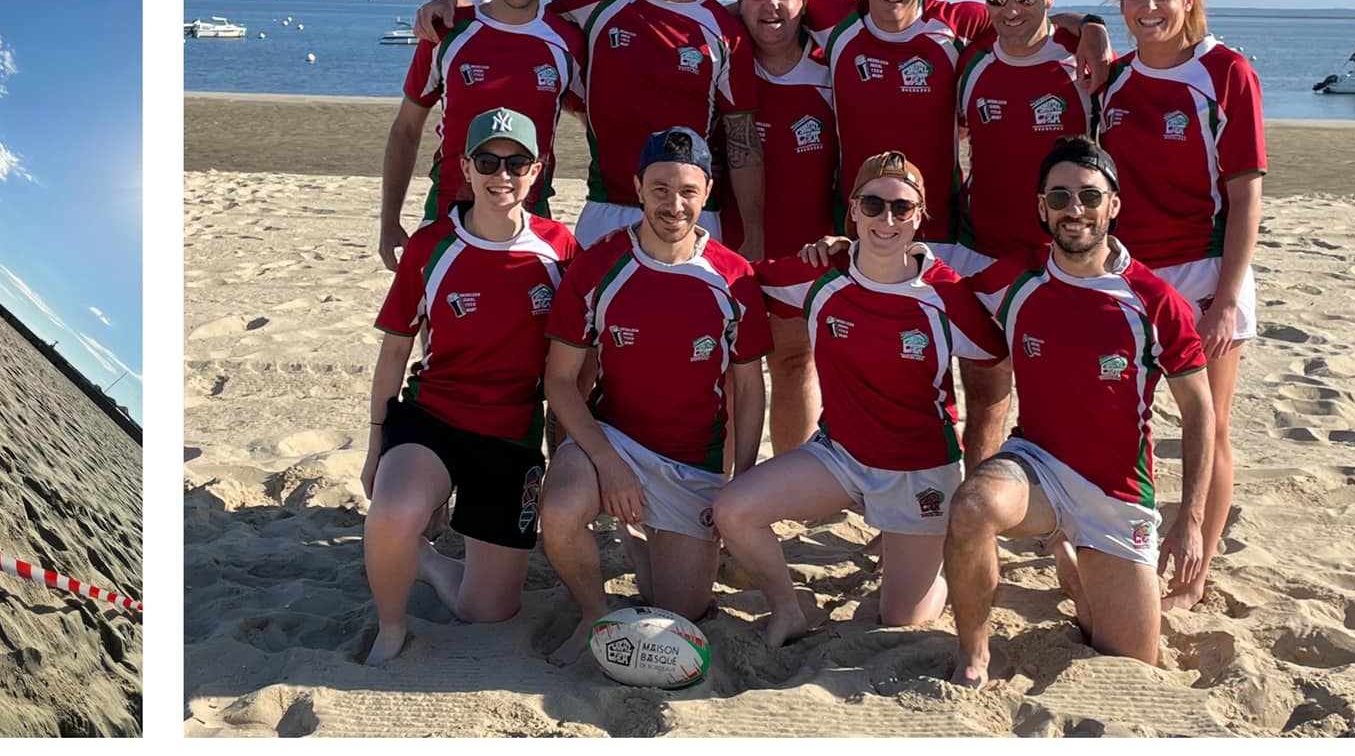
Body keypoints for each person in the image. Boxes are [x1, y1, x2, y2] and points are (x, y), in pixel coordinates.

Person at [944, 138, 1215, 681]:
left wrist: (1191, 520)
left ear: (1114, 205)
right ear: (1041, 207)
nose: (1076, 210)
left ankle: (1074, 558)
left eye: (1090, 196)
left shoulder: (1156, 302)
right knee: (973, 505)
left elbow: (1199, 413)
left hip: (1116, 496)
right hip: (1037, 467)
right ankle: (974, 653)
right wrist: (841, 249)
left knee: (1132, 661)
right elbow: (920, 287)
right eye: (1060, 196)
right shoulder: (1012, 279)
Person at [717, 151, 1005, 642]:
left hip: (918, 471)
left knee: (901, 619)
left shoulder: (948, 296)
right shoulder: (820, 273)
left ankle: (935, 560)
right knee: (732, 511)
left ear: (920, 216)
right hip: (840, 456)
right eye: (872, 205)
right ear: (852, 210)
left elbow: (1003, 363)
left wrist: (982, 479)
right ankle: (789, 609)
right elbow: (736, 279)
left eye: (901, 208)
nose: (886, 219)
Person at [414, 0, 763, 252]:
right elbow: (518, 12)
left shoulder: (727, 34)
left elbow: (742, 141)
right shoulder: (594, 2)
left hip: (692, 214)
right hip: (605, 209)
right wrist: (457, 4)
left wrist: (753, 235)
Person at [540, 127, 767, 663]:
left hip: (694, 459)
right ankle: (594, 613)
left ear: (707, 192)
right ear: (638, 187)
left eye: (687, 190)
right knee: (561, 511)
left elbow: (751, 387)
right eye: (661, 189)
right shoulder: (599, 265)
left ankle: (643, 535)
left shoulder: (733, 279)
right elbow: (558, 382)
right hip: (612, 441)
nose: (674, 203)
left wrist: (744, 485)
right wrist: (609, 464)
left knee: (681, 605)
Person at [366, 109, 578, 665]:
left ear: (538, 171)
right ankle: (390, 628)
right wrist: (374, 446)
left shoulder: (561, 249)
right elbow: (394, 352)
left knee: (486, 610)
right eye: (488, 161)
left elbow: (579, 362)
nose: (501, 175)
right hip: (434, 419)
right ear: (465, 167)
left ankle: (432, 562)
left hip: (511, 437)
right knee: (391, 510)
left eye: (516, 163)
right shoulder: (432, 245)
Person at [1096, 0, 1264, 608]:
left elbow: (1247, 191)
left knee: (1210, 424)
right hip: (1131, 277)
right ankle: (1121, 545)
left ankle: (1194, 571)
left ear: (1188, 0)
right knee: (1124, 422)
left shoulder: (1225, 72)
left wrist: (1227, 297)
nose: (1148, 8)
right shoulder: (1113, 79)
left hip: (1205, 271)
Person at [812, 0, 1109, 267]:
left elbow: (1023, 22)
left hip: (946, 232)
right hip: (859, 223)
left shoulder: (957, 25)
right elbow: (766, 5)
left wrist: (1091, 24)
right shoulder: (831, 19)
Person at [951, 0, 1098, 466]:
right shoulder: (970, 61)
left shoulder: (1081, 62)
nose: (1010, 9)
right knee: (985, 393)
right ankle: (978, 500)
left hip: (1060, 261)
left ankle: (1059, 513)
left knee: (1059, 396)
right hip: (983, 250)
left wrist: (1092, 26)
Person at [379, 0, 583, 271]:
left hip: (530, 218)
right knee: (440, 327)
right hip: (447, 213)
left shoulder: (567, 43)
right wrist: (389, 220)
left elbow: (600, 125)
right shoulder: (447, 32)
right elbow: (406, 129)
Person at [732, 0, 836, 458]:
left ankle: (790, 476)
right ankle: (721, 487)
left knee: (795, 363)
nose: (770, 6)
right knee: (729, 368)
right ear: (739, 3)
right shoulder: (723, 64)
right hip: (732, 247)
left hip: (806, 249)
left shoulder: (831, 70)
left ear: (803, 0)